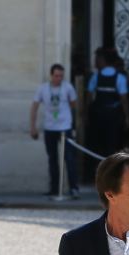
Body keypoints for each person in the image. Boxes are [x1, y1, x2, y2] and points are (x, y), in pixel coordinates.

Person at [30, 63, 80, 197]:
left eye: (61, 76)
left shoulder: (68, 87)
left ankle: (73, 188)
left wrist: (72, 122)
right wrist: (33, 127)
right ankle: (54, 188)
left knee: (69, 158)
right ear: (51, 75)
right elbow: (34, 106)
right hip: (50, 127)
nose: (59, 78)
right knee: (53, 159)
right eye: (56, 76)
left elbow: (74, 104)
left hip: (65, 127)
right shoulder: (43, 88)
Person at [86, 48, 129, 157]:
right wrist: (127, 117)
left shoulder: (95, 77)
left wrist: (86, 114)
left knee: (98, 144)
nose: (95, 62)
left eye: (96, 59)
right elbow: (124, 100)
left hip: (98, 115)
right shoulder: (120, 78)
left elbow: (89, 98)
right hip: (114, 116)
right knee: (113, 144)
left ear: (102, 60)